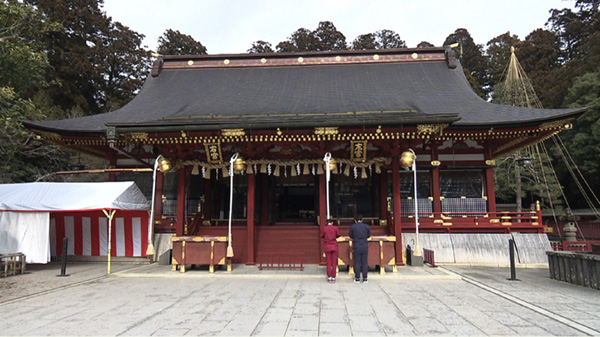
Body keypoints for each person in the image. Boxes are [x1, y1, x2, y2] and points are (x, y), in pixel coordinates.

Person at [349, 214, 370, 283]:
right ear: (362, 220)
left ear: (355, 220)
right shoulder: (366, 226)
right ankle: (365, 278)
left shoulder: (353, 227)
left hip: (356, 245)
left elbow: (350, 235)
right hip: (364, 245)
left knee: (357, 262)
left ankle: (357, 278)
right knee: (364, 263)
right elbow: (368, 235)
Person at [320, 218, 341, 283]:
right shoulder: (335, 228)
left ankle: (329, 277)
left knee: (328, 262)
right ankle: (334, 277)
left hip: (327, 246)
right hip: (334, 245)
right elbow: (339, 235)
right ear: (332, 223)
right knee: (334, 263)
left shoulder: (324, 228)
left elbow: (321, 235)